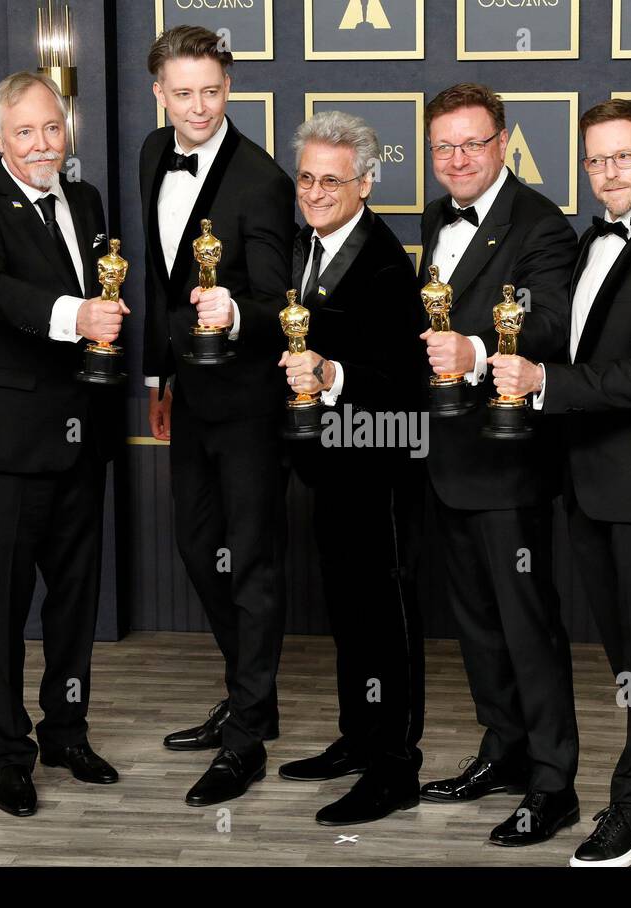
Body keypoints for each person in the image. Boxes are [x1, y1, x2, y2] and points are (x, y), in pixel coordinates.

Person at [489, 99, 631, 867]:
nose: (609, 172)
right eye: (596, 160)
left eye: (624, 157)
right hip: (586, 481)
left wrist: (542, 381)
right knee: (628, 648)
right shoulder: (590, 242)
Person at [0, 71, 124, 817]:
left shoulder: (85, 201)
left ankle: (67, 732)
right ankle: (10, 754)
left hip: (82, 440)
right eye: (25, 132)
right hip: (3, 448)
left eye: (52, 128)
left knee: (75, 608)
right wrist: (76, 316)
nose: (43, 143)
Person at [416, 83, 581, 847]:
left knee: (527, 628)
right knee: (477, 626)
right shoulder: (433, 216)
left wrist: (478, 351)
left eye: (472, 143)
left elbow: (548, 323)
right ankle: (503, 750)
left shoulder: (543, 224)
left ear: (504, 142)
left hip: (510, 461)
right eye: (443, 145)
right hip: (448, 456)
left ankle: (554, 784)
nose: (457, 159)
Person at [139, 25, 295, 806]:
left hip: (249, 401)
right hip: (189, 397)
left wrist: (236, 309)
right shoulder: (148, 154)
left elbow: (279, 304)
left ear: (228, 88)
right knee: (199, 549)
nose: (199, 106)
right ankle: (247, 695)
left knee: (253, 564)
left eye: (212, 90)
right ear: (158, 92)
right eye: (184, 91)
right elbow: (162, 285)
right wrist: (156, 377)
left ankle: (247, 738)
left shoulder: (262, 180)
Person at [274, 111, 426, 825]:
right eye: (306, 176)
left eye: (330, 179)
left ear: (364, 184)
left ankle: (394, 764)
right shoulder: (309, 244)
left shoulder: (386, 263)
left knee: (382, 620)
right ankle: (359, 736)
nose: (313, 190)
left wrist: (331, 371)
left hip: (379, 468)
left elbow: (402, 382)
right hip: (332, 467)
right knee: (348, 611)